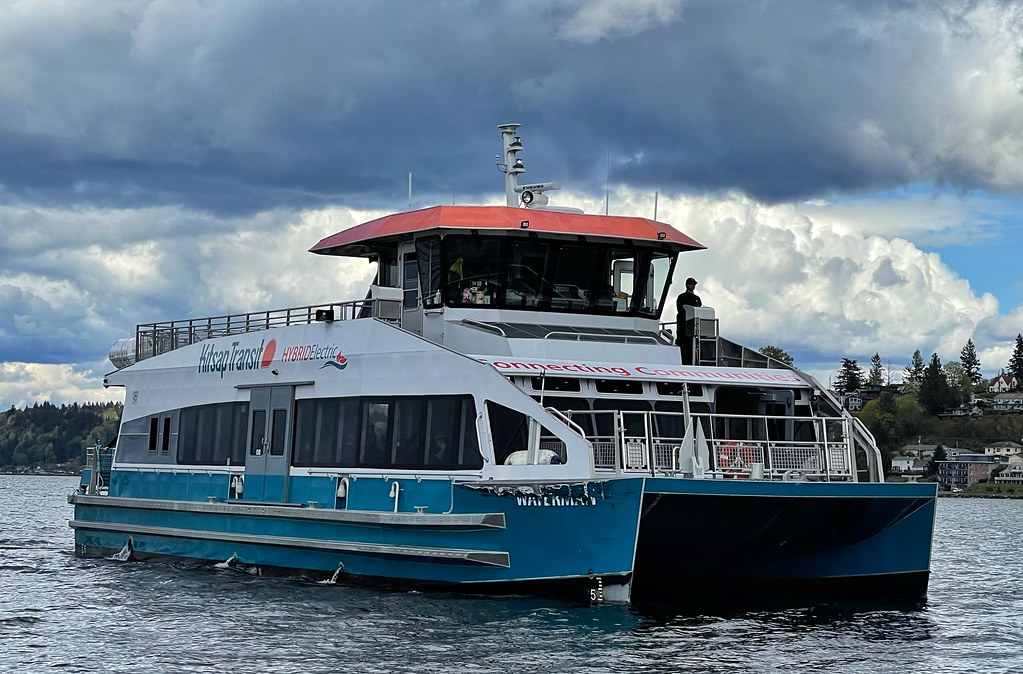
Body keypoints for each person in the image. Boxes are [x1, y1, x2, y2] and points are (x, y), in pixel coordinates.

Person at [676, 277, 702, 363]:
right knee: (682, 345)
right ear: (686, 285)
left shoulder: (697, 299)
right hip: (683, 326)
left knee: (692, 346)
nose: (692, 286)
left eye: (693, 284)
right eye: (690, 284)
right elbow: (680, 310)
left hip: (694, 327)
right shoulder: (681, 297)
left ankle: (691, 362)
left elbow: (699, 311)